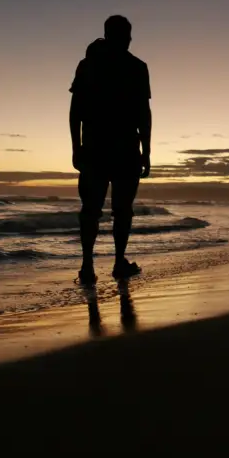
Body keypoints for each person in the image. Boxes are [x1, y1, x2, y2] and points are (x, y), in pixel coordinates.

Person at [69, 15, 152, 285]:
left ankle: (88, 266)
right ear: (118, 35)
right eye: (126, 35)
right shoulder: (136, 67)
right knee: (120, 210)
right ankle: (115, 263)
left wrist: (76, 147)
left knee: (92, 210)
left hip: (96, 148)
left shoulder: (88, 65)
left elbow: (75, 112)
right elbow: (144, 114)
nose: (129, 40)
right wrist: (146, 151)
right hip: (123, 149)